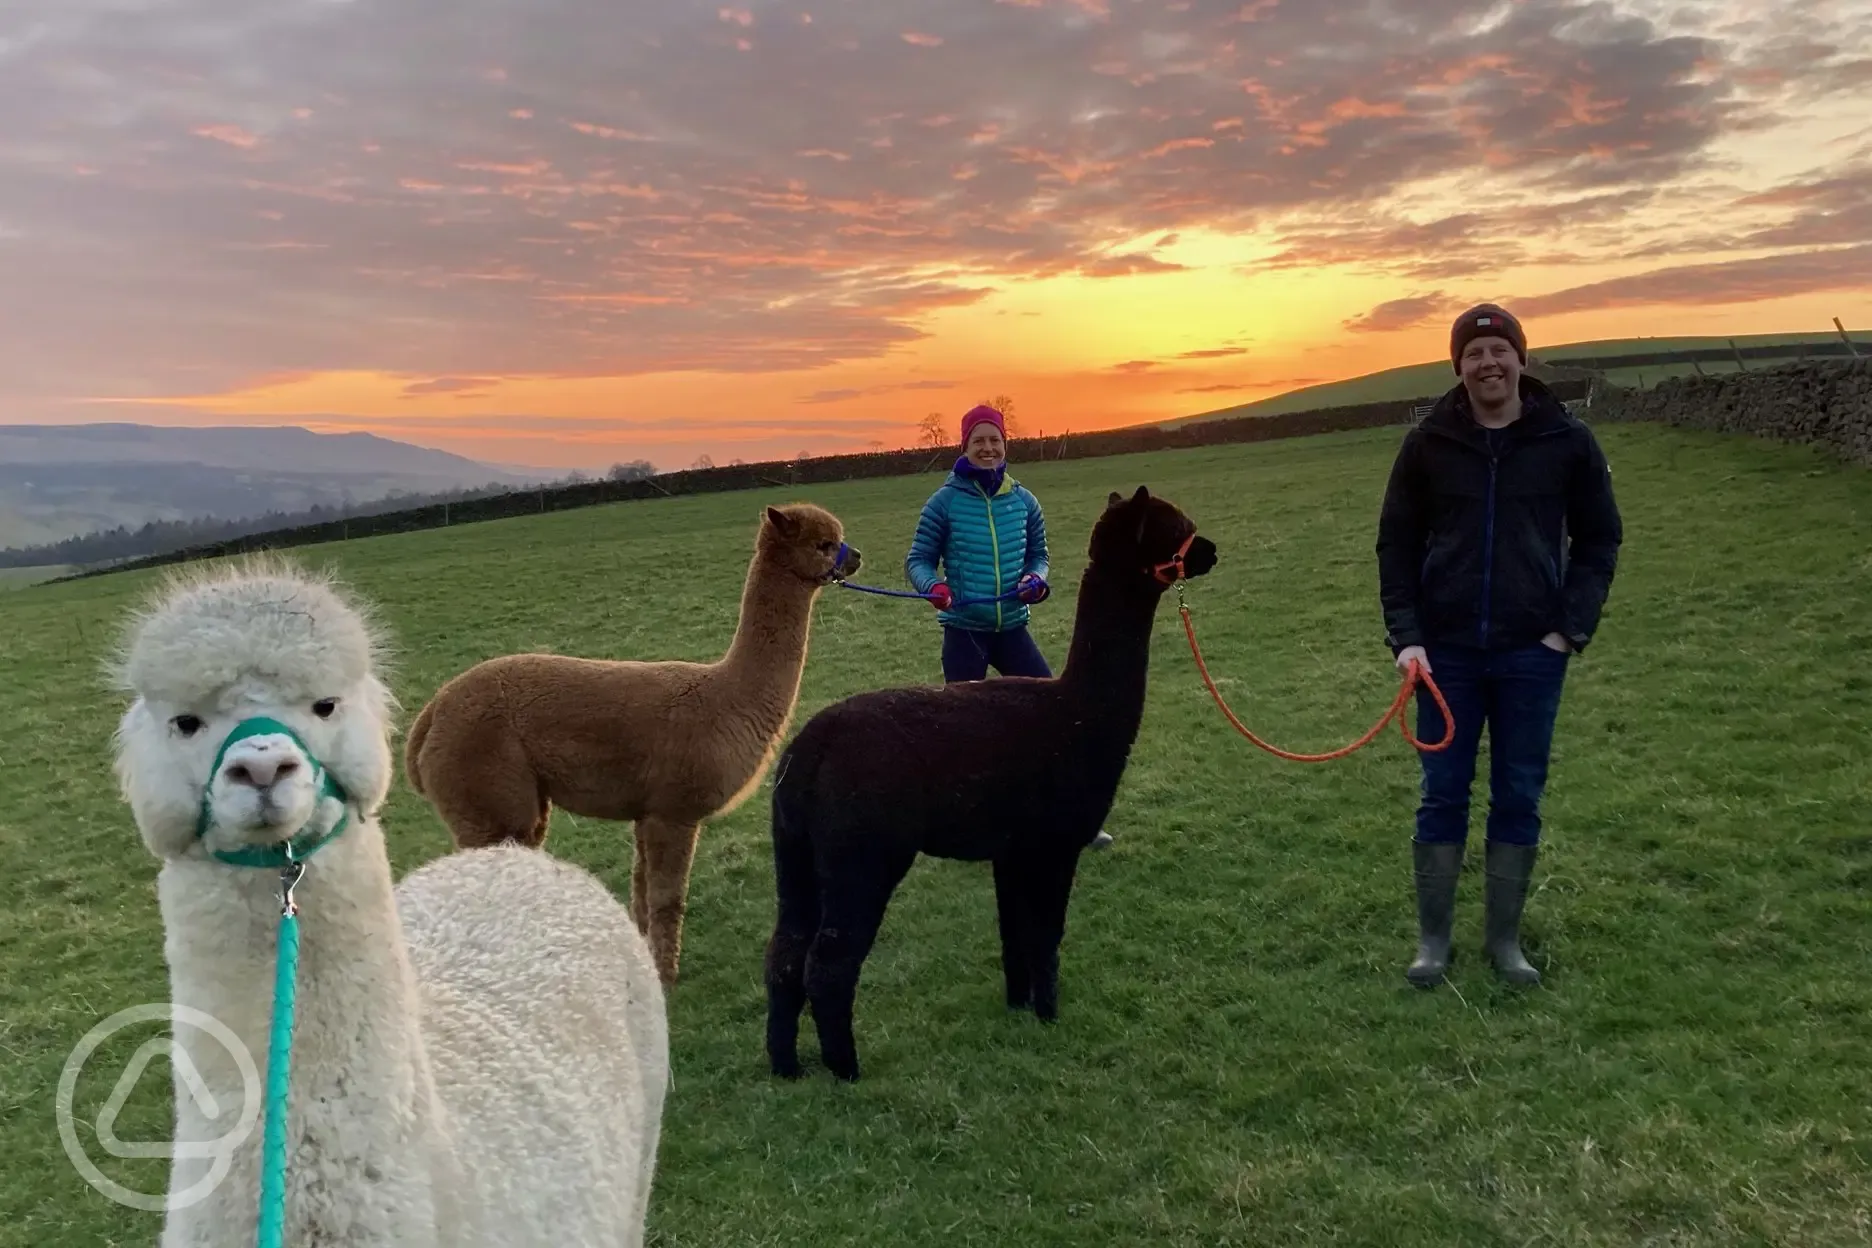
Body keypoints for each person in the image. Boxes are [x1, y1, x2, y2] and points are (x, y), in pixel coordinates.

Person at [1376, 303, 1622, 987]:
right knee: (1442, 794)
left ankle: (1505, 943)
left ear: (1521, 358)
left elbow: (1600, 539)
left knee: (1518, 793)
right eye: (1474, 353)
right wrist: (1408, 638)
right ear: (1459, 367)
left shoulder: (1567, 441)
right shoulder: (1428, 445)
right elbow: (1395, 546)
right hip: (1443, 656)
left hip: (1531, 655)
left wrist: (1566, 630)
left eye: (1499, 350)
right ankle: (1433, 943)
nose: (1488, 364)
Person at [907, 403, 1114, 850]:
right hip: (964, 631)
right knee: (964, 736)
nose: (987, 448)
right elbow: (918, 560)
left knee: (1058, 718)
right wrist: (933, 587)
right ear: (964, 445)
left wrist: (1036, 580)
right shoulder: (943, 503)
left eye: (994, 440)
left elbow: (1039, 555)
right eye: (978, 440)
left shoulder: (1024, 501)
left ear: (1005, 445)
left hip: (1012, 629)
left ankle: (1078, 817)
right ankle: (963, 823)